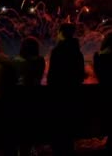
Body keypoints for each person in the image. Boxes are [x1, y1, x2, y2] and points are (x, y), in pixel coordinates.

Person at [47, 23, 85, 156]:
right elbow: (81, 74)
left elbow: (51, 76)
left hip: (59, 96)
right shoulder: (77, 52)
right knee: (69, 132)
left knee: (59, 132)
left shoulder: (57, 52)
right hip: (73, 96)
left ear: (62, 33)